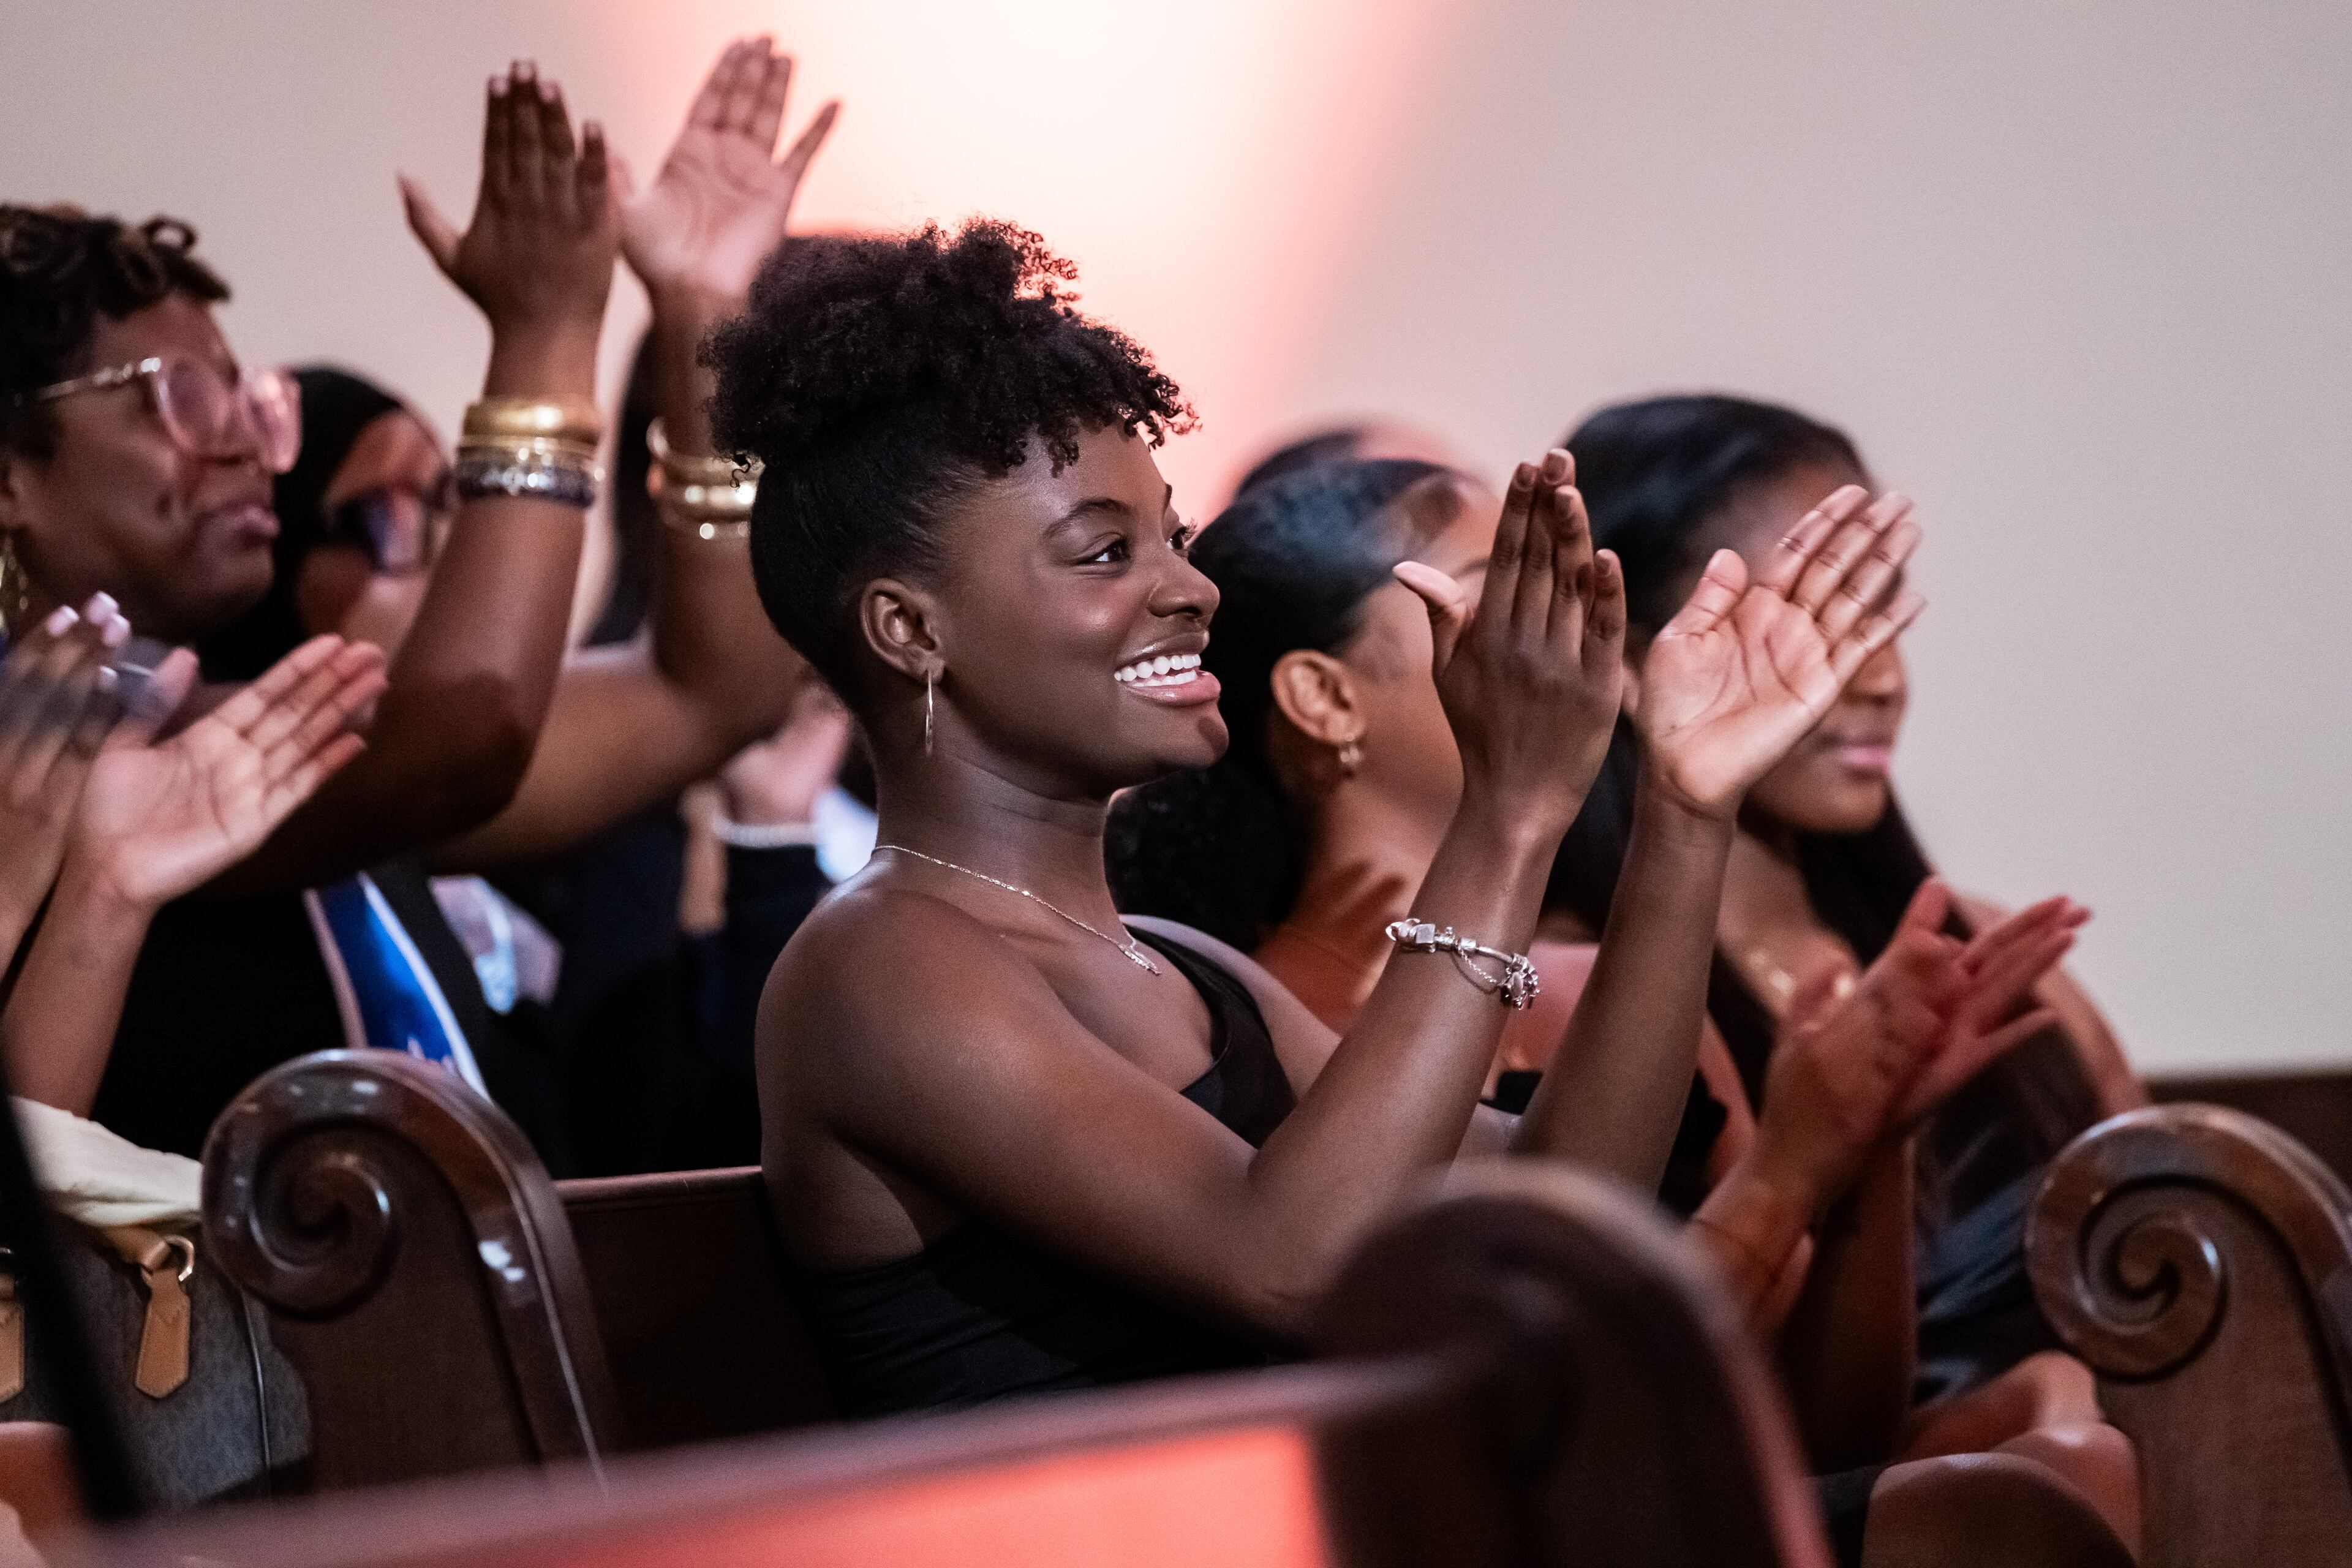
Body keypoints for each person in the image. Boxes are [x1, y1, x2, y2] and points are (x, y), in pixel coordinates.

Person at [1103, 457, 2135, 1559]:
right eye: (1507, 585)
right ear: (1325, 695)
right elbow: (1517, 1412)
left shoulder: (1607, 979)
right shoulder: (1246, 1009)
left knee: (2056, 1435)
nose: (1562, 624)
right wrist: (1790, 1170)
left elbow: (1811, 1432)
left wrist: (1865, 1153)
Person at [0, 39, 828, 1159]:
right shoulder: (52, 740)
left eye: (253, 397)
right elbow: (464, 731)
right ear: (14, 473)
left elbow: (712, 691)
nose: (250, 443)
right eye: (181, 399)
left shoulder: (250, 725)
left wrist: (700, 310)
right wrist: (544, 338)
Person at [1548, 394, 2143, 1410]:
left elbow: (2178, 1222)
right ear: (1645, 661)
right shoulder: (1576, 997)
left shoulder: (1986, 941)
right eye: (1819, 618)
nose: (1885, 679)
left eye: (1888, 610)